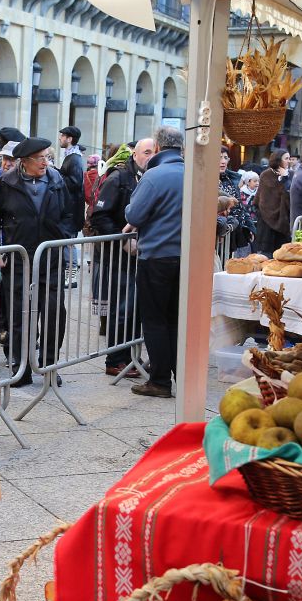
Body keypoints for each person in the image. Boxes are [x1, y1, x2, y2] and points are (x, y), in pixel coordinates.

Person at [0, 137, 73, 387]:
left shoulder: (57, 181)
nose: (45, 162)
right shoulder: (6, 182)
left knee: (54, 311)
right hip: (18, 259)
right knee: (18, 313)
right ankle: (20, 366)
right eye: (40, 158)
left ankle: (48, 365)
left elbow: (70, 214)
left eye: (47, 157)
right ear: (24, 162)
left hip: (50, 258)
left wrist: (62, 237)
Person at [125, 125, 185, 399]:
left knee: (154, 320)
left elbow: (134, 213)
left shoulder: (154, 176)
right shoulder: (193, 174)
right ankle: (175, 373)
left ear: (158, 148)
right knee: (174, 319)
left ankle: (160, 379)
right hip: (184, 257)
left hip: (157, 257)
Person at [90, 138, 155, 377]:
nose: (150, 156)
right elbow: (99, 216)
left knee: (133, 310)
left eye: (153, 152)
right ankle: (115, 360)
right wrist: (123, 239)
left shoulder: (147, 178)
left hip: (140, 255)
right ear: (135, 154)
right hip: (116, 257)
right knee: (121, 309)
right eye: (146, 152)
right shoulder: (118, 178)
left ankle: (129, 356)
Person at [252, 148, 292, 256]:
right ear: (278, 160)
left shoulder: (290, 175)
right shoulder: (266, 175)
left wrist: (285, 179)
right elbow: (262, 200)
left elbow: (289, 195)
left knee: (283, 255)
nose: (289, 161)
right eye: (286, 158)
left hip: (283, 220)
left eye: (289, 158)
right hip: (266, 223)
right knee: (266, 256)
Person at [218, 145, 249, 250]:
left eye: (225, 158)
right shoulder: (207, 178)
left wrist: (249, 227)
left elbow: (240, 206)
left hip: (234, 233)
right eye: (219, 157)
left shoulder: (232, 179)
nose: (223, 161)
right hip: (217, 232)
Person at [57, 125, 86, 236]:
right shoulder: (72, 157)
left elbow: (74, 183)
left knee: (69, 246)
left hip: (71, 214)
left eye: (63, 136)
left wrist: (56, 174)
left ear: (69, 139)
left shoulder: (74, 158)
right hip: (70, 212)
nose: (60, 138)